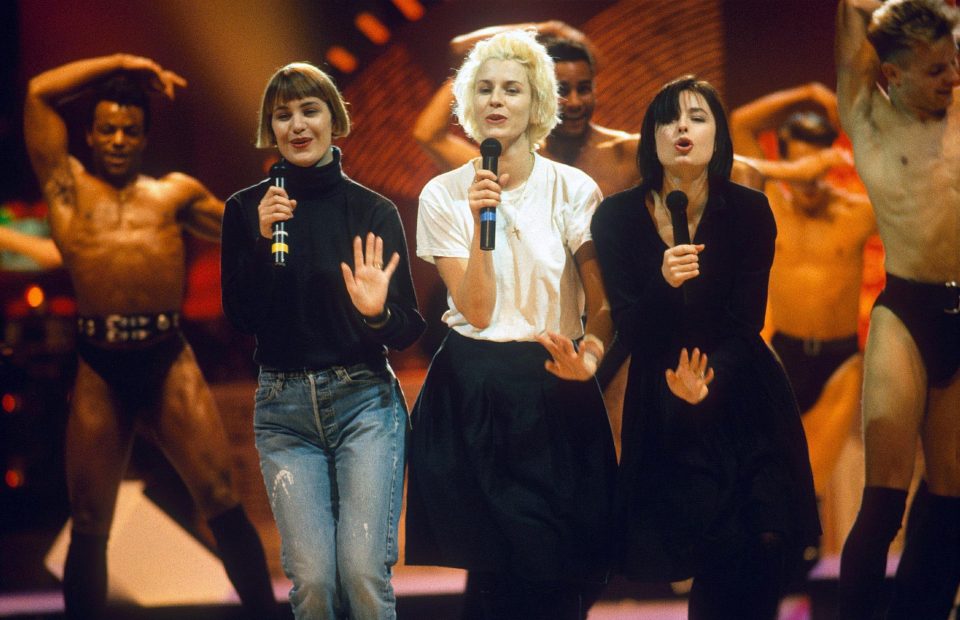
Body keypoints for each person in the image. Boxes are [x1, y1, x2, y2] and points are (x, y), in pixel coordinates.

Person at [22, 54, 278, 619]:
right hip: (99, 365)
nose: (117, 140)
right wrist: (123, 63)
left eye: (129, 131)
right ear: (88, 135)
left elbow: (251, 228)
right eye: (107, 129)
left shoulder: (173, 195)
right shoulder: (65, 188)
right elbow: (40, 91)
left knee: (220, 499)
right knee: (90, 522)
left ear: (143, 139)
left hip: (167, 359)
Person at [404, 30, 617, 619]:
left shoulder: (574, 189)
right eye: (486, 88)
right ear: (469, 103)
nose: (497, 100)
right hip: (474, 388)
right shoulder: (444, 194)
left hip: (555, 377)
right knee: (501, 571)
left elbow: (602, 303)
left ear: (537, 104)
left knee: (564, 570)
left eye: (513, 89)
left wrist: (591, 358)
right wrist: (481, 221)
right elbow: (475, 309)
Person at [591, 75, 820, 619]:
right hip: (665, 395)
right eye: (669, 120)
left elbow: (747, 321)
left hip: (741, 388)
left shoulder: (748, 210)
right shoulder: (617, 218)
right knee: (710, 550)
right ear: (651, 137)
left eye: (697, 118)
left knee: (762, 538)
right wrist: (662, 283)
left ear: (719, 136)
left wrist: (710, 378)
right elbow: (630, 326)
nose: (682, 129)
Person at [220, 61, 425, 620]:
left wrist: (378, 313)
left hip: (364, 402)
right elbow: (240, 316)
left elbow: (410, 327)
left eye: (310, 111)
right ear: (271, 129)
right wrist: (262, 243)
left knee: (361, 573)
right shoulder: (245, 211)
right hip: (284, 413)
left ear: (334, 119)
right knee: (312, 582)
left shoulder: (373, 210)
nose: (297, 125)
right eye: (282, 115)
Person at [835, 0, 960, 617]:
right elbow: (850, 23)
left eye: (955, 62)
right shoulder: (867, 118)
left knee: (951, 496)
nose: (953, 78)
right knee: (884, 497)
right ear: (892, 76)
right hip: (906, 310)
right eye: (937, 70)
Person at [730, 84, 876, 497]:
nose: (811, 176)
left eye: (819, 165)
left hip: (841, 361)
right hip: (783, 351)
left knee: (809, 487)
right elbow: (740, 125)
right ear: (785, 158)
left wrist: (842, 110)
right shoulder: (769, 201)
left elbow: (894, 165)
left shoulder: (857, 211)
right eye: (801, 166)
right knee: (764, 475)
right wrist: (806, 94)